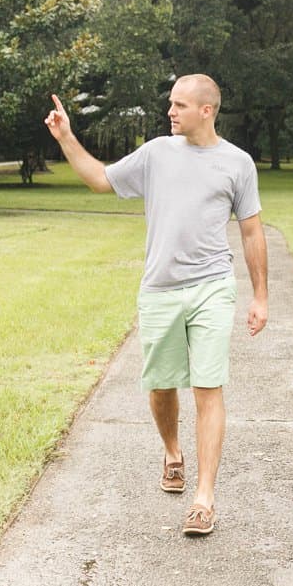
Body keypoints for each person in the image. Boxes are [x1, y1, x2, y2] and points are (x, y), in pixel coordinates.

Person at [44, 74, 268, 537]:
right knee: (162, 385)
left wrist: (260, 295)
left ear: (207, 110)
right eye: (171, 103)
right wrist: (66, 137)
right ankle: (172, 452)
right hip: (160, 289)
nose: (171, 111)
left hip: (211, 287)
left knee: (209, 386)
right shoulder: (155, 154)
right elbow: (100, 180)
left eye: (180, 105)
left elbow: (251, 230)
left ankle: (204, 498)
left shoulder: (237, 163)